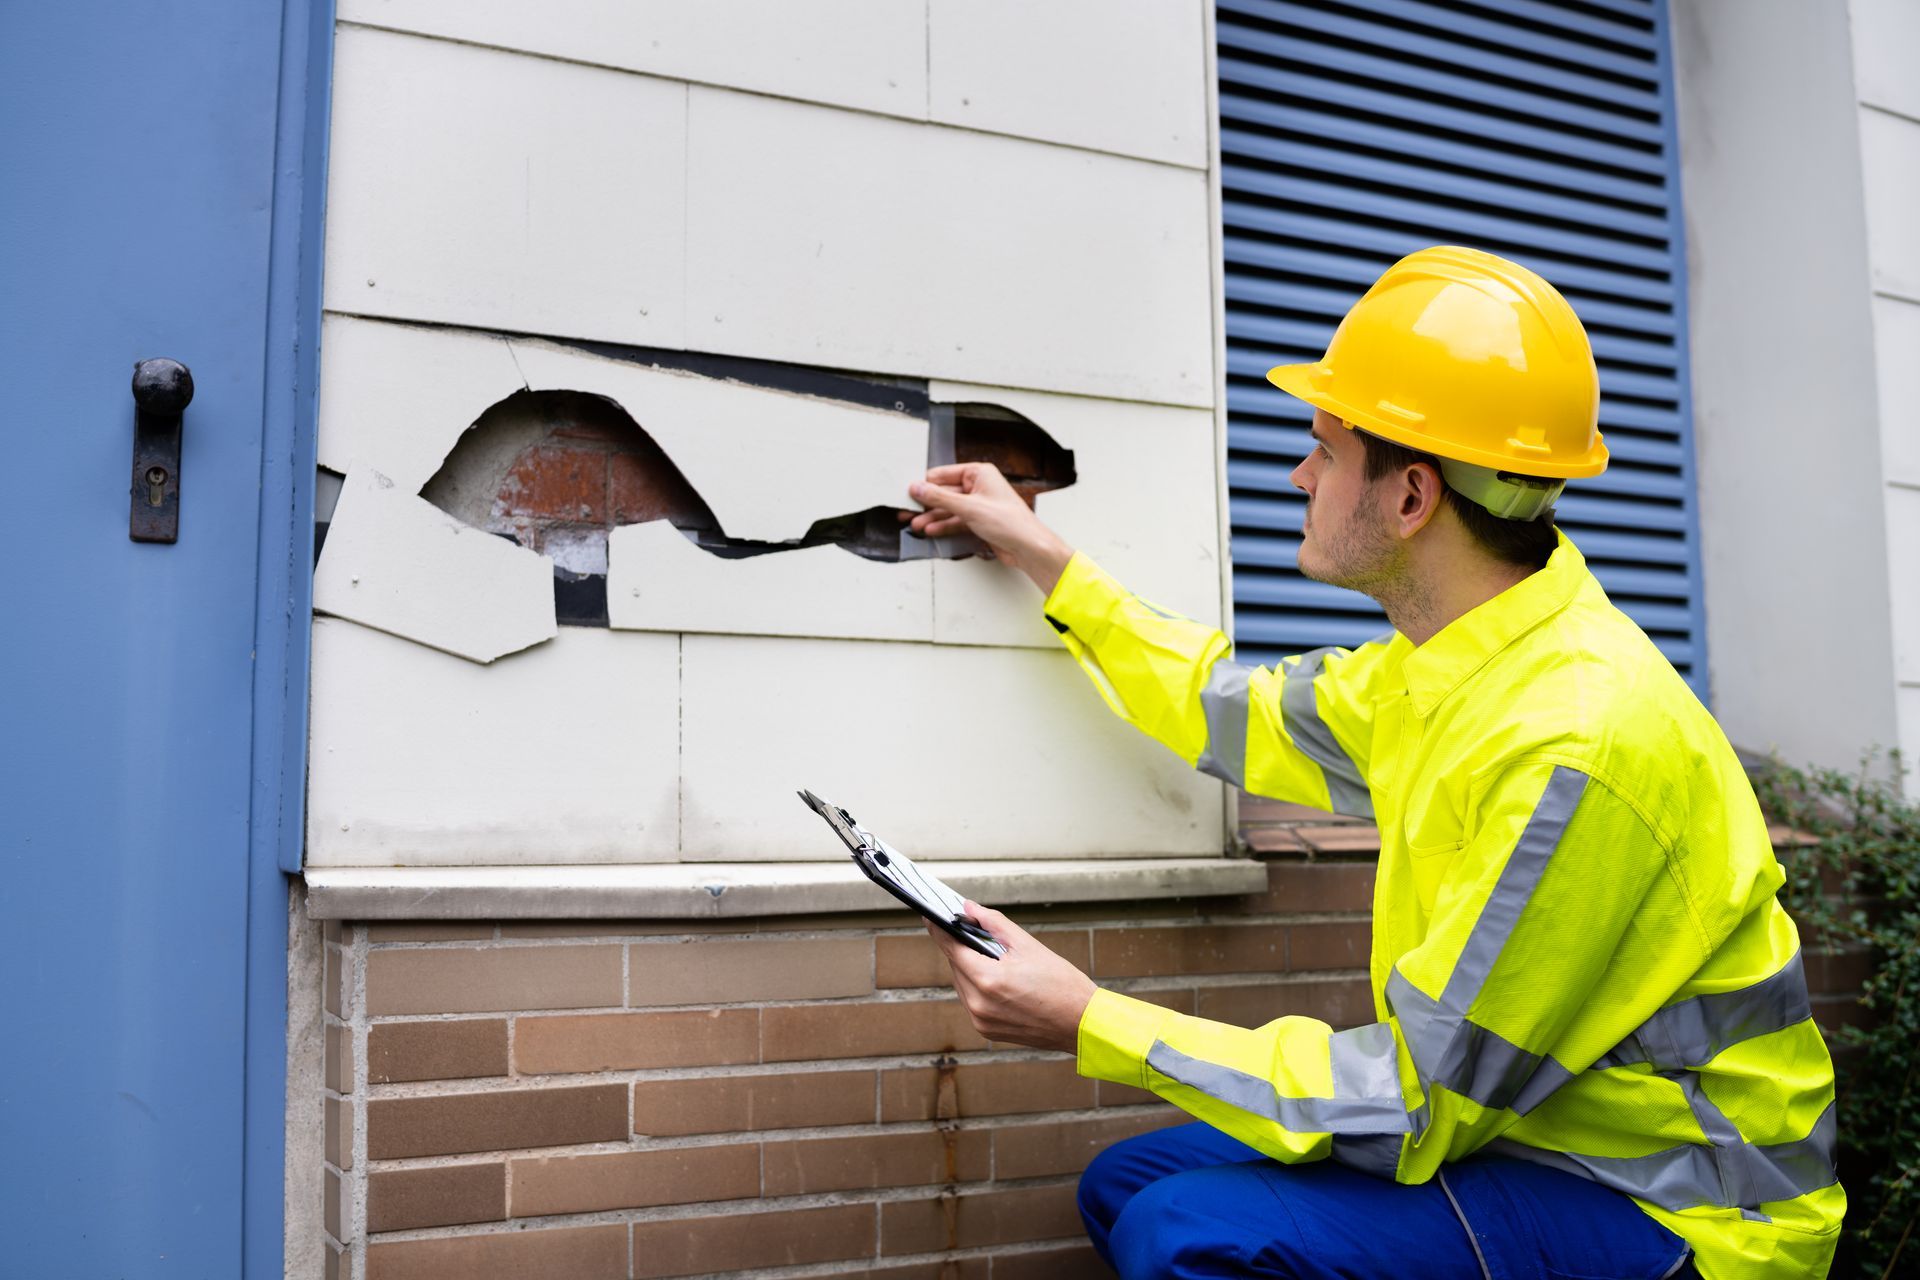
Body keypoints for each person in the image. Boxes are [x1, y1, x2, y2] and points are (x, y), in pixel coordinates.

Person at [904, 246, 1843, 1279]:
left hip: (1685, 1216)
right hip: (1530, 1136)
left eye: (1323, 447)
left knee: (1187, 1232)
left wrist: (1092, 1019)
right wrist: (1041, 551)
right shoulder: (1449, 669)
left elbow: (1416, 1103)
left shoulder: (1572, 741)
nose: (1299, 474)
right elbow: (1235, 713)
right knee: (1129, 1183)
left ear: (1409, 497)